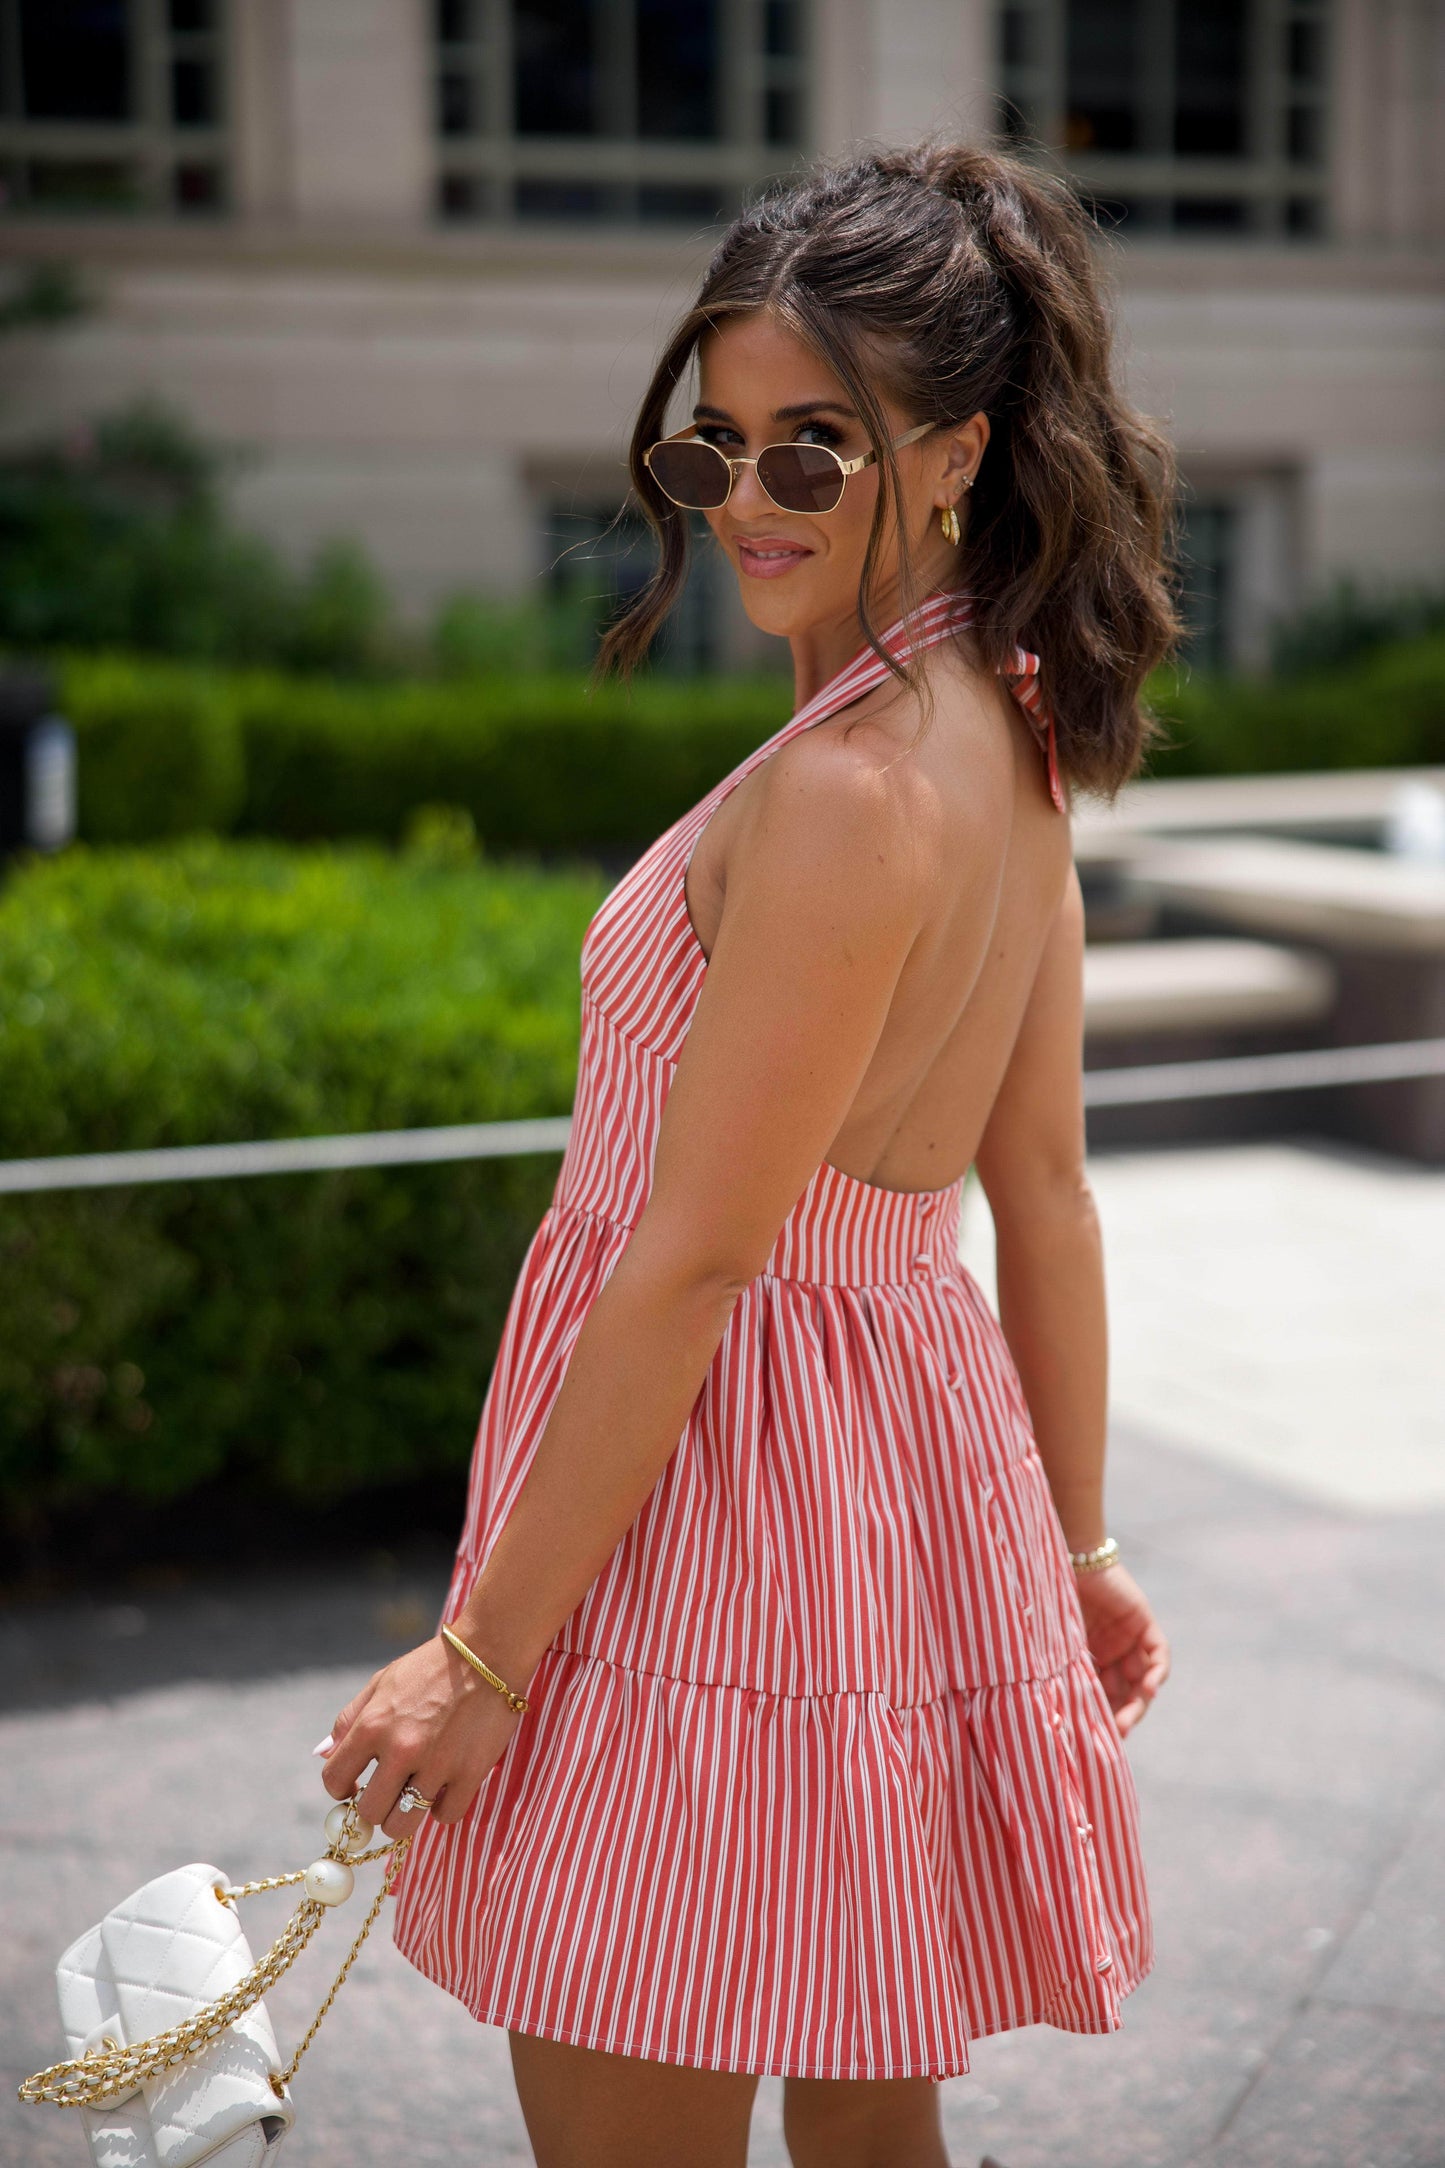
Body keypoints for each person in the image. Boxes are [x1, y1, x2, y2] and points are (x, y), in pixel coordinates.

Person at [318, 139, 1176, 2168]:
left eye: (818, 449)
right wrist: (1075, 1538)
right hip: (882, 1503)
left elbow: (699, 1259)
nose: (750, 505)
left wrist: (478, 1652)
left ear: (954, 455)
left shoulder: (848, 795)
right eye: (717, 450)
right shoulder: (1011, 715)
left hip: (705, 1530)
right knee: (868, 2128)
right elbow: (1036, 1189)